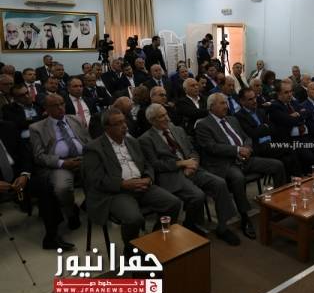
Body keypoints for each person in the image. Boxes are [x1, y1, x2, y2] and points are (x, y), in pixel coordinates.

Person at [82, 108, 181, 258]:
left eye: (124, 121)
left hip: (142, 185)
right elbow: (96, 179)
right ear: (107, 128)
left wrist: (148, 178)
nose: (124, 126)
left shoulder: (132, 141)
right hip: (116, 192)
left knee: (173, 203)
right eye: (118, 123)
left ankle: (155, 241)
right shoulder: (94, 148)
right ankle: (130, 253)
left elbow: (147, 164)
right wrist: (123, 184)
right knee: (134, 219)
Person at [140, 104, 241, 245]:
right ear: (152, 120)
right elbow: (155, 165)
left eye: (166, 114)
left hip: (192, 168)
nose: (167, 118)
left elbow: (192, 150)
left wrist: (193, 163)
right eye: (162, 116)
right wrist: (181, 164)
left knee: (219, 183)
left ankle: (223, 227)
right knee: (197, 196)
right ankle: (190, 225)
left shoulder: (177, 130)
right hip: (172, 175)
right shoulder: (146, 139)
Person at [195, 93, 286, 240]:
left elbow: (246, 137)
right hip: (225, 163)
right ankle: (245, 217)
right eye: (222, 103)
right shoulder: (203, 125)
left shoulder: (232, 119)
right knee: (238, 178)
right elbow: (211, 148)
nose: (226, 106)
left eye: (226, 103)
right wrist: (237, 150)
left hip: (245, 158)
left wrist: (247, 148)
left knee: (277, 165)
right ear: (211, 107)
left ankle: (278, 205)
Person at [1, 120, 70, 250]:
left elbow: (25, 154)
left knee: (44, 186)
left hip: (18, 175)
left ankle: (51, 236)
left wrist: (24, 174)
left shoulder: (8, 127)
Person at [30, 94, 92, 230]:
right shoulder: (37, 128)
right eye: (55, 105)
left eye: (62, 104)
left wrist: (89, 157)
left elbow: (89, 141)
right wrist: (62, 163)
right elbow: (39, 156)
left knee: (100, 177)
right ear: (46, 108)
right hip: (60, 165)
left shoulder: (76, 119)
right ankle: (71, 212)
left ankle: (91, 205)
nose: (60, 108)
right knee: (62, 188)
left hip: (83, 159)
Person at [236, 87, 301, 179]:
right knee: (290, 147)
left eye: (255, 98)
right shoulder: (239, 116)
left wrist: (262, 128)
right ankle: (299, 179)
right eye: (250, 99)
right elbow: (252, 134)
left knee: (286, 159)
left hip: (271, 143)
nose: (254, 101)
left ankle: (289, 184)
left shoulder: (260, 111)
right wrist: (265, 127)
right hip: (259, 147)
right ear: (242, 101)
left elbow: (273, 128)